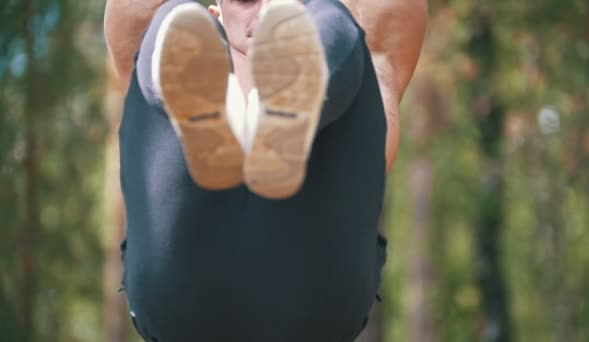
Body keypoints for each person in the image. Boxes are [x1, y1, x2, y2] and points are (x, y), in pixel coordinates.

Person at [103, 0, 426, 341]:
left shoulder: (349, 64)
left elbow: (385, 20)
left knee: (338, 23)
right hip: (196, 284)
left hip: (302, 292)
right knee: (169, 21)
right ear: (217, 15)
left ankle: (277, 101)